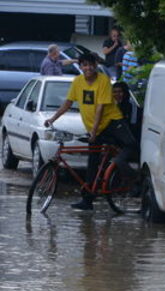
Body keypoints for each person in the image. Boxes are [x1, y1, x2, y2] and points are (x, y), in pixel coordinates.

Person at [44, 52, 136, 210]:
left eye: (91, 64)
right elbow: (67, 103)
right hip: (94, 127)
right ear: (80, 67)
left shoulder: (103, 80)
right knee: (92, 162)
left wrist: (93, 132)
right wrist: (52, 119)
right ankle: (87, 200)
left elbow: (100, 108)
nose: (88, 68)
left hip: (112, 122)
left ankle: (131, 177)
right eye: (85, 65)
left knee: (130, 144)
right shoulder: (78, 81)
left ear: (96, 65)